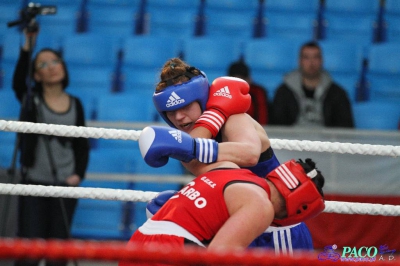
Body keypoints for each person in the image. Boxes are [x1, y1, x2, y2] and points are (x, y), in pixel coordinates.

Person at [148, 58, 317, 254]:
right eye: (171, 111)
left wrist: (215, 116)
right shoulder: (184, 144)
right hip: (238, 229)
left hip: (277, 231)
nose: (179, 117)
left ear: (201, 99)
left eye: (185, 107)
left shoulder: (233, 118)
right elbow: (223, 181)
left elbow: (250, 154)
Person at [119, 125, 325, 266]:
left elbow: (189, 156)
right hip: (173, 251)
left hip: (140, 239)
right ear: (299, 211)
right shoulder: (261, 206)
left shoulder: (228, 166)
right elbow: (217, 259)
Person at [12, 29, 89, 266]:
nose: (52, 66)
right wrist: (28, 45)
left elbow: (82, 144)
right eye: (43, 64)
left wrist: (78, 175)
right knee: (29, 252)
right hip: (34, 183)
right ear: (36, 75)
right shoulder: (31, 99)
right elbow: (17, 82)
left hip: (65, 185)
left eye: (55, 61)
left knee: (58, 253)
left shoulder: (76, 103)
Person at [271, 41, 354, 128]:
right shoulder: (283, 92)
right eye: (306, 57)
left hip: (326, 141)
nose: (311, 62)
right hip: (293, 141)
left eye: (316, 57)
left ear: (322, 60)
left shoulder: (337, 94)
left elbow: (346, 128)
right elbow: (277, 126)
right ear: (300, 61)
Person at [227, 60, 270, 125]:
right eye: (235, 80)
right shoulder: (223, 93)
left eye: (242, 79)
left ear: (249, 79)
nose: (239, 84)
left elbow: (262, 119)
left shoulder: (258, 92)